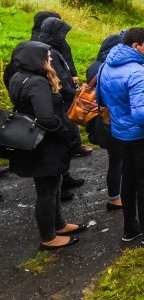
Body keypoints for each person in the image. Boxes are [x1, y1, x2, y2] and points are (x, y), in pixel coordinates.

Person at [99, 27, 144, 245]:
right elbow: (142, 114)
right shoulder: (136, 72)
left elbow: (102, 99)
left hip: (120, 133)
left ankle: (130, 229)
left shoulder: (107, 66)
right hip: (143, 135)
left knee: (128, 181)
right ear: (135, 46)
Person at [7, 41, 84, 250]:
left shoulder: (17, 76)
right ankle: (49, 237)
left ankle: (58, 224)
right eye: (47, 57)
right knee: (47, 191)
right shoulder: (37, 83)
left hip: (34, 140)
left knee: (53, 185)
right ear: (36, 59)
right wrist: (65, 132)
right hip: (45, 144)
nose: (50, 60)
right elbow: (46, 118)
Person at [38, 18, 88, 197]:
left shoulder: (46, 49)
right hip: (62, 103)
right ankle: (60, 184)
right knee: (70, 140)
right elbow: (60, 80)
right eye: (63, 34)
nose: (65, 37)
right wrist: (75, 93)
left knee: (69, 140)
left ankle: (64, 178)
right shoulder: (49, 52)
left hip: (61, 101)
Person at [86, 33, 124, 211]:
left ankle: (116, 194)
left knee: (115, 159)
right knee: (118, 160)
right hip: (112, 119)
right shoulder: (108, 68)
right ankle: (115, 196)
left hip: (99, 118)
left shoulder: (94, 66)